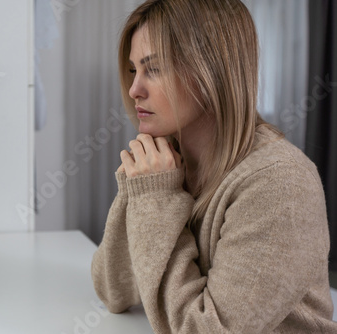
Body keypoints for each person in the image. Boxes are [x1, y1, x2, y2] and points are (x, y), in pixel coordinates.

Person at [90, 0, 337, 333]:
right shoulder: (165, 163)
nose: (134, 89)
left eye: (155, 68)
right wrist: (142, 189)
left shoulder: (281, 183)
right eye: (134, 69)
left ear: (211, 71)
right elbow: (113, 289)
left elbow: (206, 330)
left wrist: (156, 198)